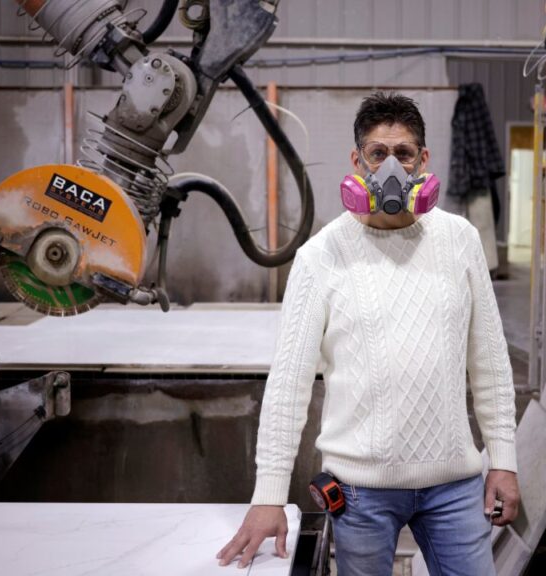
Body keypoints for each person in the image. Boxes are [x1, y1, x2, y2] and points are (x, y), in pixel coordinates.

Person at [217, 92, 520, 575]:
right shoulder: (321, 256)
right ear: (358, 162)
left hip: (456, 485)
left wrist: (503, 460)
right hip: (360, 491)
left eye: (404, 153)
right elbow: (289, 385)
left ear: (423, 160)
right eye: (379, 154)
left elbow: (489, 361)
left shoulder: (460, 238)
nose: (392, 167)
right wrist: (268, 496)